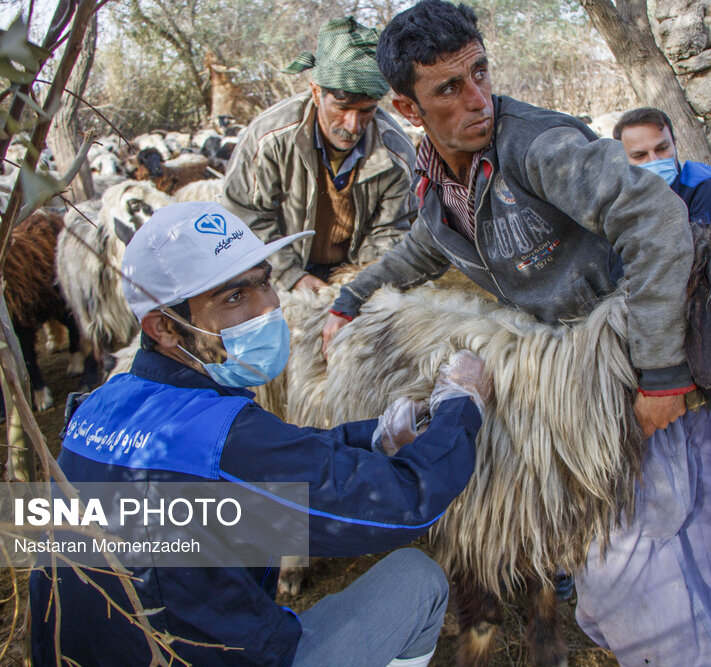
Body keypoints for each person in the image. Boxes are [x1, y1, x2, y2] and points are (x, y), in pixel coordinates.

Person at [320, 2, 711, 664]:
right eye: (449, 88)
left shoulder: (537, 147)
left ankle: (681, 651)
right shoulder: (438, 179)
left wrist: (660, 373)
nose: (478, 99)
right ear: (408, 106)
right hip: (563, 377)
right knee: (597, 534)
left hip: (628, 363)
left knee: (656, 527)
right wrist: (349, 300)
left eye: (480, 72)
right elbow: (424, 251)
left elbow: (655, 216)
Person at [28, 202, 493, 666]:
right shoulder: (218, 438)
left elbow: (268, 461)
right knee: (417, 579)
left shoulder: (103, 404)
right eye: (234, 297)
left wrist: (374, 438)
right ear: (165, 327)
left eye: (265, 281)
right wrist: (460, 406)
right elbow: (406, 505)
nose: (269, 306)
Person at [222, 16, 418, 292]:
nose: (353, 125)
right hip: (277, 271)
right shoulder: (270, 139)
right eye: (341, 107)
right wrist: (290, 277)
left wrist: (363, 281)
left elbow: (392, 228)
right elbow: (244, 214)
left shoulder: (395, 154)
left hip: (352, 271)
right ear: (316, 92)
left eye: (366, 111)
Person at [614, 107, 711, 226]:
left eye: (662, 149)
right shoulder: (617, 197)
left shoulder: (708, 186)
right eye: (639, 155)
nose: (654, 160)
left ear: (674, 143)